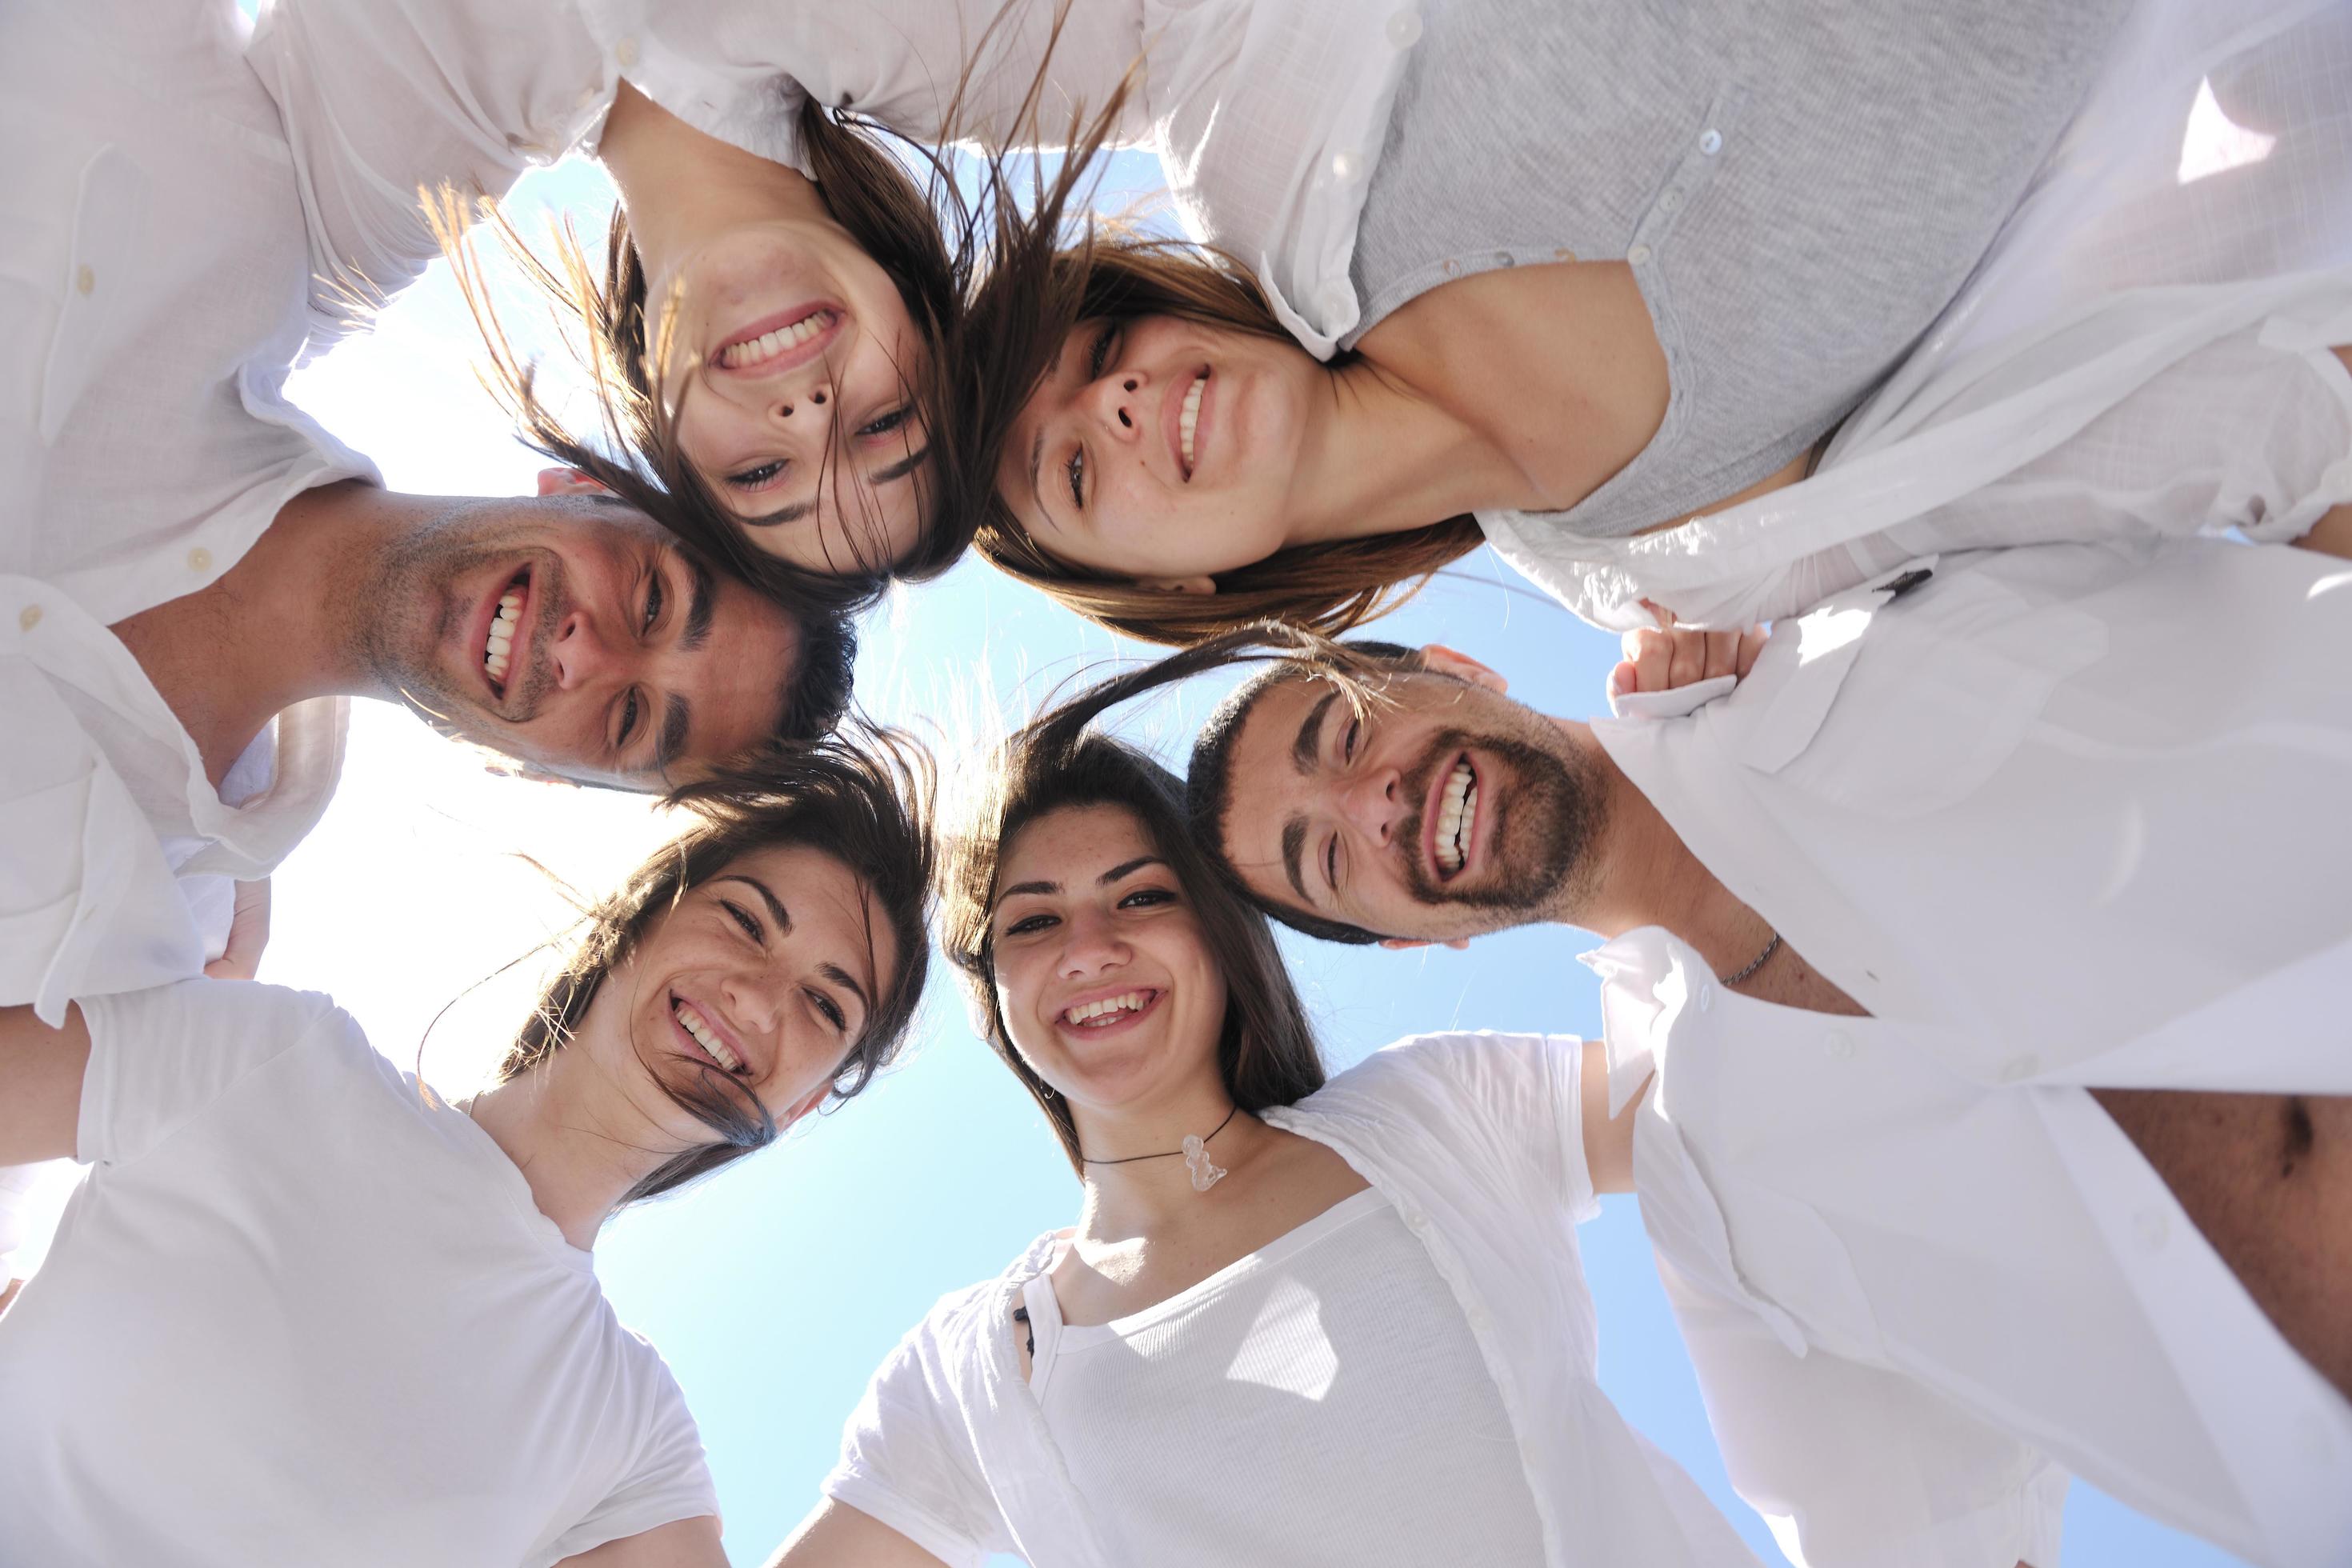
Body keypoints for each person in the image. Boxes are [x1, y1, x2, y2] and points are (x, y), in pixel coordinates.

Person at [1062, 527, 2352, 1564]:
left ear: (1458, 666)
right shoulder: (1710, 1198)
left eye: (1344, 738)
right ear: (1413, 942)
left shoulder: (1829, 608)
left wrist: (1762, 552)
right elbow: (1917, 1540)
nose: (1372, 802)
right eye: (1329, 859)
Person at [0, 0, 863, 1297]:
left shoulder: (120, 963)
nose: (585, 657)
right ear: (584, 492)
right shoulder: (244, 205)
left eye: (630, 725)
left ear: (548, 775)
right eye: (647, 595)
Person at [974, 0, 2352, 643]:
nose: (1121, 408)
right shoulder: (1686, 575)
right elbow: (2141, 441)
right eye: (1079, 472)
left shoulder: (1315, 149)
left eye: (1102, 361)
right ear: (1181, 592)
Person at [769, 724, 1763, 1567]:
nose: (1087, 948)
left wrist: (1671, 743)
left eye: (1141, 896)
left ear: (1218, 928)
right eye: (1034, 920)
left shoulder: (1440, 1108)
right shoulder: (975, 1370)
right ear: (997, 993)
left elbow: (1768, 1079)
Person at [0, 730, 935, 1568]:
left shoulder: (630, 1436)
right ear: (648, 910)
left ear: (806, 1101)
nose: (759, 997)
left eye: (825, 1003)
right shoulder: (272, 1055)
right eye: (745, 919)